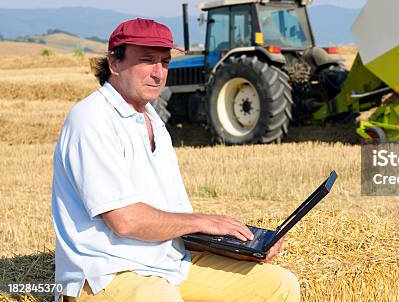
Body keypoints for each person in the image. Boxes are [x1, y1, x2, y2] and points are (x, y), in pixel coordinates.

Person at [51, 18, 299, 302]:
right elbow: (125, 221)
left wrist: (238, 246)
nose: (158, 73)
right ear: (114, 63)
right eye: (147, 61)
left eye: (165, 62)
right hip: (107, 273)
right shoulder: (91, 119)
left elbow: (176, 222)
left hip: (168, 264)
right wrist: (203, 220)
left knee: (279, 284)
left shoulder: (154, 121)